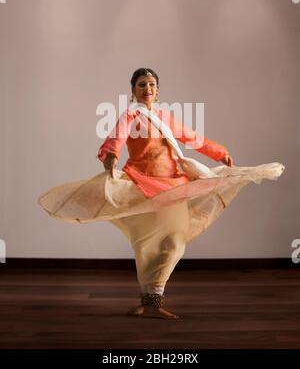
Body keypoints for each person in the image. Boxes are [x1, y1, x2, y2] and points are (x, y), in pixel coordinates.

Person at [38, 68, 285, 320]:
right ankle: (150, 303)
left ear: (157, 90)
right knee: (147, 246)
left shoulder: (164, 117)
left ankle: (152, 301)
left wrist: (220, 152)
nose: (148, 89)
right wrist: (111, 156)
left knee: (175, 243)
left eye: (152, 84)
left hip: (173, 187)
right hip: (143, 186)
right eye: (142, 84)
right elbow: (117, 138)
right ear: (133, 90)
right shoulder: (131, 116)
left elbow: (192, 138)